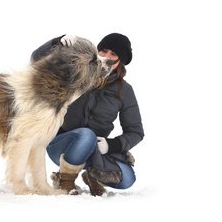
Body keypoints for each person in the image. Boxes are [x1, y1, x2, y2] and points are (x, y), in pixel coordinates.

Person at [31, 33, 144, 196]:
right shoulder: (76, 71)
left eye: (113, 54)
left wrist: (110, 146)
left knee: (127, 179)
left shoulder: (125, 91)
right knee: (86, 134)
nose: (107, 56)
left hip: (93, 151)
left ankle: (91, 176)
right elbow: (36, 60)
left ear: (120, 61)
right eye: (104, 51)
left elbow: (136, 132)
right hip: (61, 145)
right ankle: (64, 179)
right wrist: (56, 43)